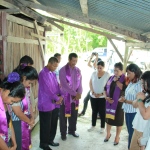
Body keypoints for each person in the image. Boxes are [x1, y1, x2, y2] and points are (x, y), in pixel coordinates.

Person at [8, 66, 38, 150]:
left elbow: (29, 104)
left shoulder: (26, 89)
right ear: (24, 78)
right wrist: (29, 121)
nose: (30, 85)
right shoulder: (16, 89)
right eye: (30, 83)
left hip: (25, 119)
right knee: (19, 144)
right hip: (17, 122)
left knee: (25, 142)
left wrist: (32, 117)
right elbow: (17, 112)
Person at [38, 57, 64, 150]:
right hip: (45, 104)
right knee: (46, 125)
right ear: (49, 63)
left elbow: (57, 86)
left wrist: (61, 95)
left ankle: (50, 140)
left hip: (55, 103)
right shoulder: (42, 74)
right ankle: (43, 144)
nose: (55, 68)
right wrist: (57, 98)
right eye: (53, 66)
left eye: (56, 66)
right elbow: (47, 89)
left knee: (53, 123)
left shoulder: (52, 73)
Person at [59, 53, 82, 141]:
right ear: (69, 60)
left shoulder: (78, 70)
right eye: (73, 60)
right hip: (65, 98)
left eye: (76, 61)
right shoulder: (62, 70)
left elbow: (80, 83)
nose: (74, 62)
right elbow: (64, 85)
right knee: (63, 117)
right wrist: (74, 93)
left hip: (75, 98)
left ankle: (72, 131)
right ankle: (63, 133)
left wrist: (79, 92)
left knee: (74, 115)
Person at [119, 64, 142, 149]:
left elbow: (138, 102)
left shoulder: (139, 84)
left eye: (129, 73)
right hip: (128, 111)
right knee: (130, 133)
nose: (127, 75)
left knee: (132, 135)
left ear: (134, 72)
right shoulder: (132, 82)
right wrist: (124, 98)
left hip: (134, 113)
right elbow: (130, 95)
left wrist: (125, 100)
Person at [0, 72, 25, 150]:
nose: (11, 103)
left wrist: (14, 143)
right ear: (7, 92)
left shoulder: (6, 103)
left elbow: (9, 124)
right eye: (12, 101)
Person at [104, 62, 126, 145]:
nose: (115, 73)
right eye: (114, 70)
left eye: (117, 71)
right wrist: (106, 97)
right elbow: (105, 89)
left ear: (121, 70)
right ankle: (108, 134)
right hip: (109, 103)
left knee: (118, 121)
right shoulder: (110, 78)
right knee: (108, 120)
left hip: (119, 104)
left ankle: (117, 137)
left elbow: (124, 89)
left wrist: (117, 81)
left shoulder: (125, 79)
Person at [88, 61, 110, 133]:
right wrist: (93, 92)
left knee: (102, 112)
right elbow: (90, 83)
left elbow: (108, 86)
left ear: (104, 67)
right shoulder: (93, 73)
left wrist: (101, 94)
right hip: (93, 96)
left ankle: (102, 127)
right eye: (98, 67)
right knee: (94, 111)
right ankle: (93, 125)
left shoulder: (107, 75)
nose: (99, 69)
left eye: (101, 68)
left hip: (102, 97)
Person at [135, 71, 150, 150]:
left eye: (143, 84)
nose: (142, 86)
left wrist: (140, 100)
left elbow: (145, 115)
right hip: (140, 128)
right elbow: (134, 104)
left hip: (143, 129)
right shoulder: (145, 93)